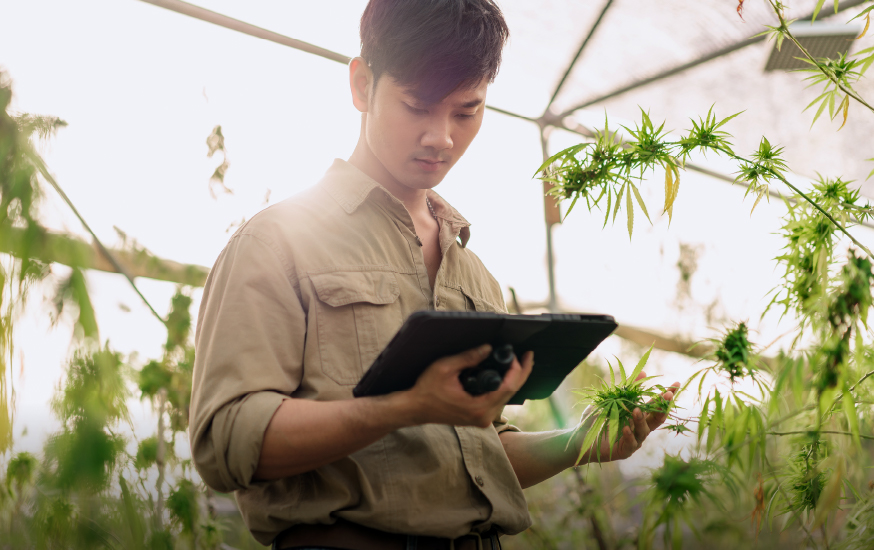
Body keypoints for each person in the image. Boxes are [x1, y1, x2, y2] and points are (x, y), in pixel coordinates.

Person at [189, 1, 679, 549]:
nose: (442, 137)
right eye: (417, 106)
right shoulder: (277, 241)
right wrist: (403, 407)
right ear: (361, 84)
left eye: (466, 112)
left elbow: (475, 457)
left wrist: (579, 442)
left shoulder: (472, 274)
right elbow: (225, 443)